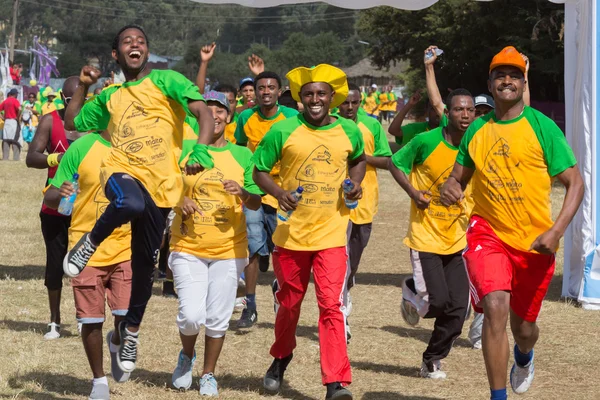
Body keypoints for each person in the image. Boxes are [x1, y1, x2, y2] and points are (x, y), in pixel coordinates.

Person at [62, 24, 215, 374]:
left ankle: (129, 330)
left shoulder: (167, 80)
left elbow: (203, 113)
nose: (135, 45)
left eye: (141, 41)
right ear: (116, 54)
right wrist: (84, 85)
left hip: (161, 187)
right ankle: (90, 242)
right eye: (127, 42)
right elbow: (72, 123)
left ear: (147, 50)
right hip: (122, 172)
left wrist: (201, 151)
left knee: (145, 268)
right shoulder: (110, 95)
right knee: (127, 203)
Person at [440, 46, 584, 400]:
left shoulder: (542, 127)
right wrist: (450, 186)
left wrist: (555, 231)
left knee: (524, 328)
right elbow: (458, 176)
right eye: (500, 75)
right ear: (489, 83)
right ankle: (497, 396)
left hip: (534, 244)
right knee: (494, 306)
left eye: (514, 75)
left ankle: (524, 355)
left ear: (523, 82)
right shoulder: (477, 130)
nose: (507, 80)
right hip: (487, 233)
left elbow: (576, 183)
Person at [253, 64, 365, 400]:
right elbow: (258, 171)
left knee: (331, 306)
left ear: (333, 98)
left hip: (331, 235)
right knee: (289, 304)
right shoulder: (282, 132)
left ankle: (335, 383)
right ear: (300, 99)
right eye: (308, 95)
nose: (315, 99)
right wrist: (278, 193)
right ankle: (281, 357)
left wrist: (355, 184)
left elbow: (359, 158)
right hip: (291, 236)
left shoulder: (349, 130)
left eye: (321, 94)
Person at [169, 91, 263, 396]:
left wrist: (243, 194)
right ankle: (186, 355)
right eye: (207, 111)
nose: (215, 116)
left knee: (217, 317)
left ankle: (208, 374)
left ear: (229, 117)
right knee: (191, 315)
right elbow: (161, 185)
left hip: (229, 248)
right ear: (200, 119)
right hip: (187, 245)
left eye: (220, 110)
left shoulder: (243, 155)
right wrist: (178, 200)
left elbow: (256, 202)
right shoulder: (183, 150)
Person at [389, 88, 475, 379]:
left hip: (457, 240)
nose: (465, 115)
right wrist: (413, 192)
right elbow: (395, 162)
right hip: (426, 236)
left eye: (470, 110)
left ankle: (431, 359)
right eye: (459, 110)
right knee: (438, 302)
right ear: (446, 113)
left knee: (459, 311)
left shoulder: (476, 148)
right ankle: (413, 289)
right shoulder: (426, 141)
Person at [43, 129, 133, 399]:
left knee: (125, 315)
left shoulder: (136, 147)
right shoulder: (82, 147)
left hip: (126, 245)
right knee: (91, 319)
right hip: (85, 248)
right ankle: (99, 381)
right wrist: (61, 191)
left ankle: (117, 342)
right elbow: (49, 197)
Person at [234, 70, 298, 328]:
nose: (265, 92)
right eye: (261, 88)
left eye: (271, 87)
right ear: (255, 92)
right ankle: (249, 306)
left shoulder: (292, 117)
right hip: (253, 189)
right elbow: (239, 149)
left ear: (279, 91)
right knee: (249, 247)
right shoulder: (245, 117)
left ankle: (279, 289)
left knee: (283, 248)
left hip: (283, 192)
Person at [25, 76, 81, 339]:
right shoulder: (50, 120)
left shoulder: (93, 126)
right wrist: (54, 157)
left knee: (85, 264)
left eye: (80, 100)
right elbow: (31, 157)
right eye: (70, 101)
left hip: (84, 207)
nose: (75, 105)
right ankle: (55, 321)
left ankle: (84, 316)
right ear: (62, 99)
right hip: (54, 204)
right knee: (55, 262)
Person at [337, 83, 392, 340]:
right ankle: (341, 316)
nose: (349, 107)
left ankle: (347, 287)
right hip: (334, 208)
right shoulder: (330, 124)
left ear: (360, 102)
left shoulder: (371, 125)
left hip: (364, 204)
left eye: (354, 102)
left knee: (352, 264)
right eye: (345, 102)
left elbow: (387, 160)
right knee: (338, 264)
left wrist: (359, 157)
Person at [0, 88, 22, 161]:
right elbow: (20, 109)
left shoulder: (5, 101)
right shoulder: (15, 101)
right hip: (13, 121)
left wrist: (2, 117)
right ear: (15, 94)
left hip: (6, 122)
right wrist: (17, 116)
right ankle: (16, 158)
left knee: (6, 139)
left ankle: (5, 157)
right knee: (15, 139)